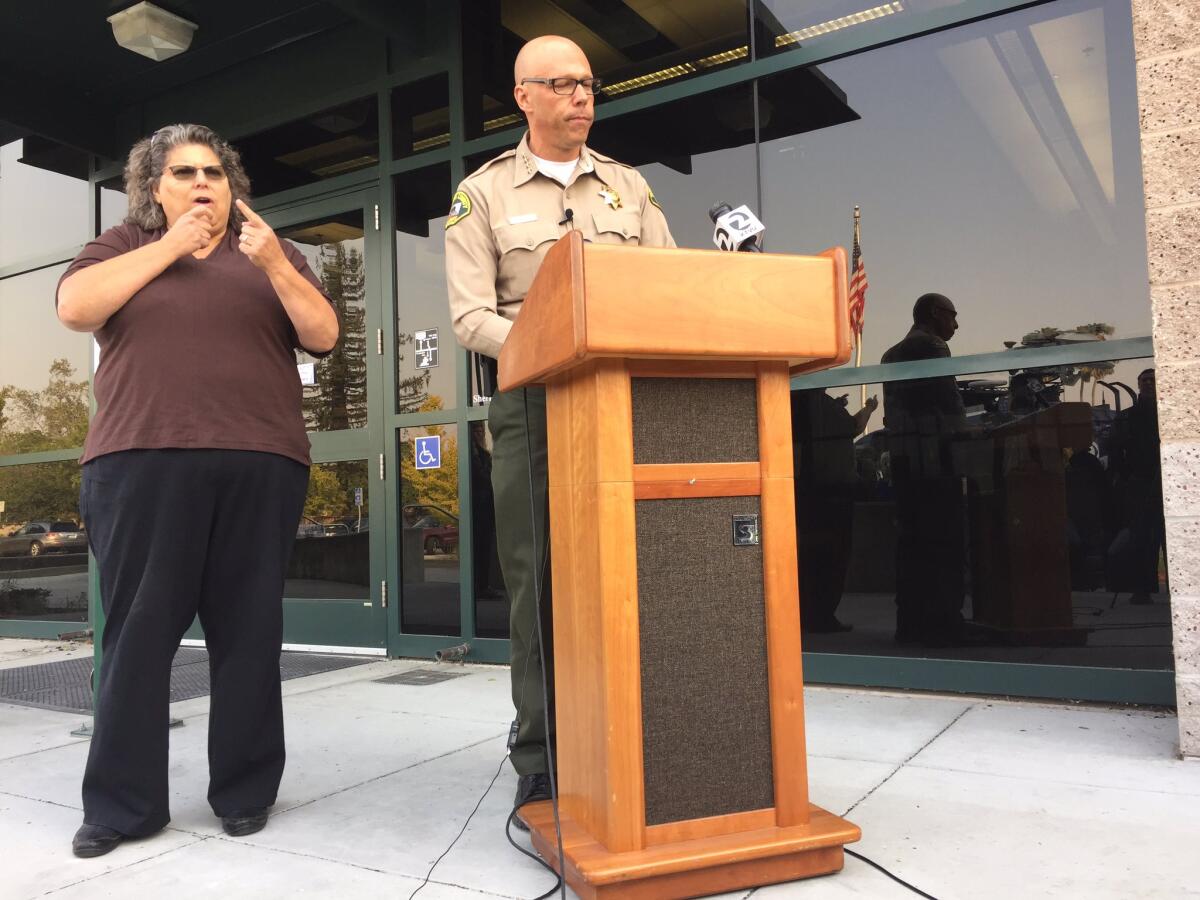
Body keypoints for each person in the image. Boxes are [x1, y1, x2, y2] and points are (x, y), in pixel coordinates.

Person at [55, 124, 338, 858]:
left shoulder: (268, 253)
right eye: (185, 172)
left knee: (248, 634)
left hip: (260, 462)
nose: (204, 183)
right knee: (138, 637)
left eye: (215, 171)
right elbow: (76, 307)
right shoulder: (122, 245)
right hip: (141, 461)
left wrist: (277, 263)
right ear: (156, 187)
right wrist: (171, 247)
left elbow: (323, 334)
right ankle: (122, 805)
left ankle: (243, 793)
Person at [444, 35, 674, 824]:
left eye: (588, 83)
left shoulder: (630, 188)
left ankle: (639, 735)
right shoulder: (481, 196)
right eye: (563, 84)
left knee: (636, 572)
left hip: (622, 404)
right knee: (537, 582)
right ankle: (541, 755)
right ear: (525, 98)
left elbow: (668, 287)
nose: (582, 96)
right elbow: (472, 314)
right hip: (534, 407)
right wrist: (553, 342)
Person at [881, 293, 971, 645]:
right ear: (935, 314)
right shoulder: (932, 346)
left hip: (904, 462)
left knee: (911, 544)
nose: (956, 324)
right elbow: (946, 402)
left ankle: (911, 623)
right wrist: (967, 431)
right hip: (933, 460)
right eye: (952, 315)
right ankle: (945, 623)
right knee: (944, 543)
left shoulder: (891, 354)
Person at [791, 391, 877, 633]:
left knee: (809, 557)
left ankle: (807, 613)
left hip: (806, 490)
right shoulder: (822, 406)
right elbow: (854, 426)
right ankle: (821, 615)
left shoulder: (796, 407)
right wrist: (869, 407)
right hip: (832, 492)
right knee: (831, 558)